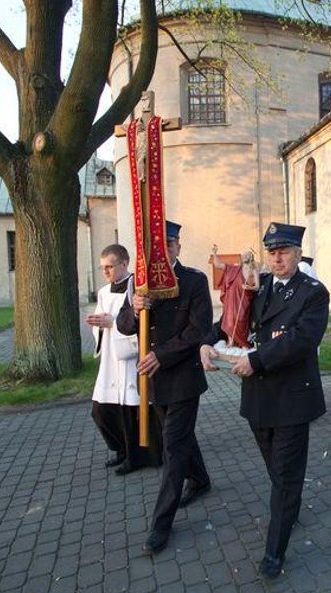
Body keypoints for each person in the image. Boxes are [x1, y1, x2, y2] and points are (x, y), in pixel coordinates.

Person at [200, 222, 328, 579]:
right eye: (271, 252)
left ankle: (275, 553)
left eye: (284, 251)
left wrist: (255, 360)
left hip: (291, 397)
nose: (277, 258)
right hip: (258, 397)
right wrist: (208, 341)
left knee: (285, 476)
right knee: (276, 468)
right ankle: (290, 504)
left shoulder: (313, 292)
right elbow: (232, 317)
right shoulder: (258, 284)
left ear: (298, 254)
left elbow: (301, 340)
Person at [116, 221, 214, 555]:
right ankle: (201, 480)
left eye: (169, 244)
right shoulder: (137, 283)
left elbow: (197, 329)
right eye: (156, 247)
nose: (164, 250)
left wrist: (161, 354)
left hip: (183, 377)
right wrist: (134, 309)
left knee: (172, 448)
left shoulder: (193, 280)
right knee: (181, 436)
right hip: (153, 381)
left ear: (178, 247)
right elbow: (123, 326)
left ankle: (161, 525)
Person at [87, 244, 161, 475]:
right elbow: (105, 322)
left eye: (109, 266)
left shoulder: (136, 289)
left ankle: (137, 456)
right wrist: (99, 325)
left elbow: (143, 324)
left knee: (131, 410)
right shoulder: (103, 291)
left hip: (130, 357)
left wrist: (113, 325)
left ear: (124, 263)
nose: (106, 272)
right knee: (101, 410)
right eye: (103, 268)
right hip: (110, 358)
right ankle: (121, 449)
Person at [211, 244, 258, 348]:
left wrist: (249, 288)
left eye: (247, 255)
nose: (245, 256)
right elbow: (218, 265)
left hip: (244, 298)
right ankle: (231, 341)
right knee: (229, 320)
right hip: (231, 300)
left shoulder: (253, 269)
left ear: (251, 257)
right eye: (244, 255)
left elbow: (257, 287)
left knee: (241, 319)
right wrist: (214, 253)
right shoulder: (234, 269)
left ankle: (243, 342)